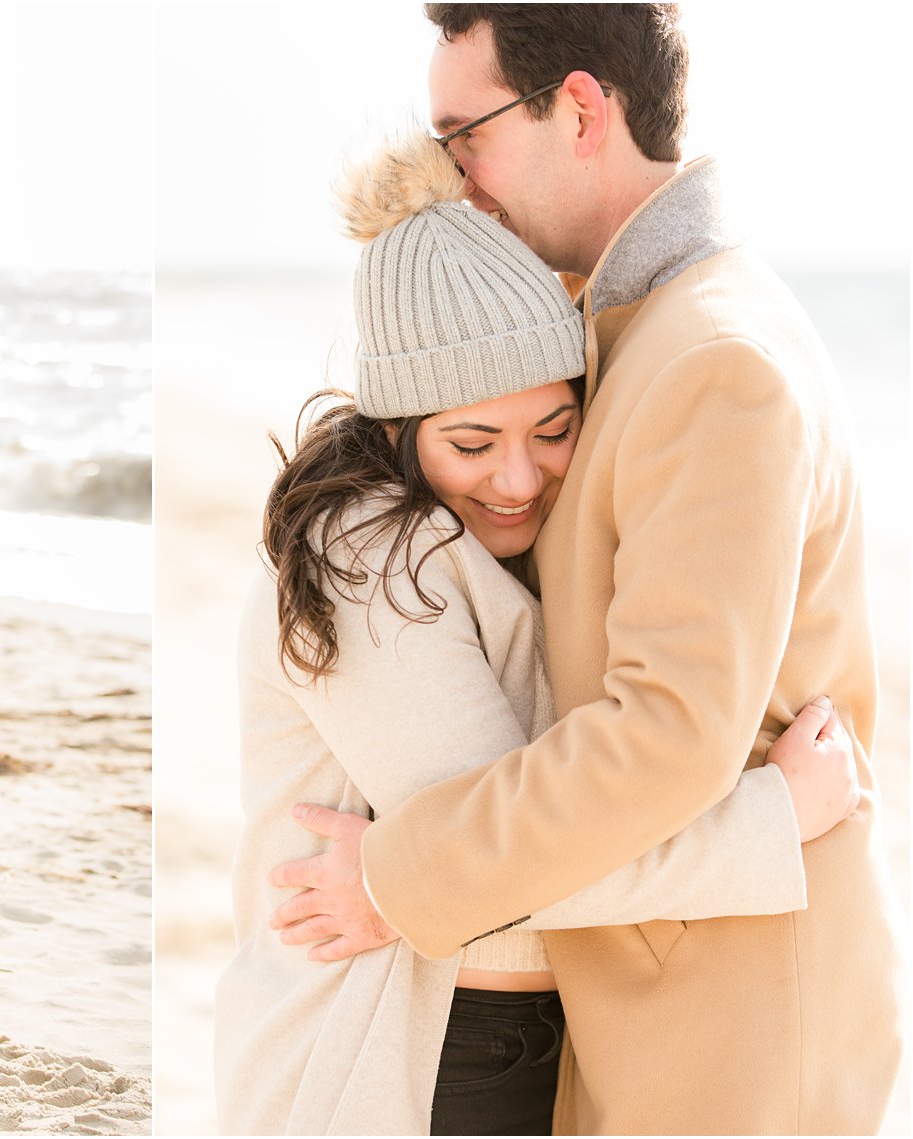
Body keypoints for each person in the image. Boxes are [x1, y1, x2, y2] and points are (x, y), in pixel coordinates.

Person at [269, 5, 907, 1132]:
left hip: (730, 1020)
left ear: (576, 110)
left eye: (464, 135)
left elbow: (663, 733)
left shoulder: (710, 357)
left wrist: (392, 877)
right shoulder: (617, 331)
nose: (454, 179)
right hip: (646, 995)